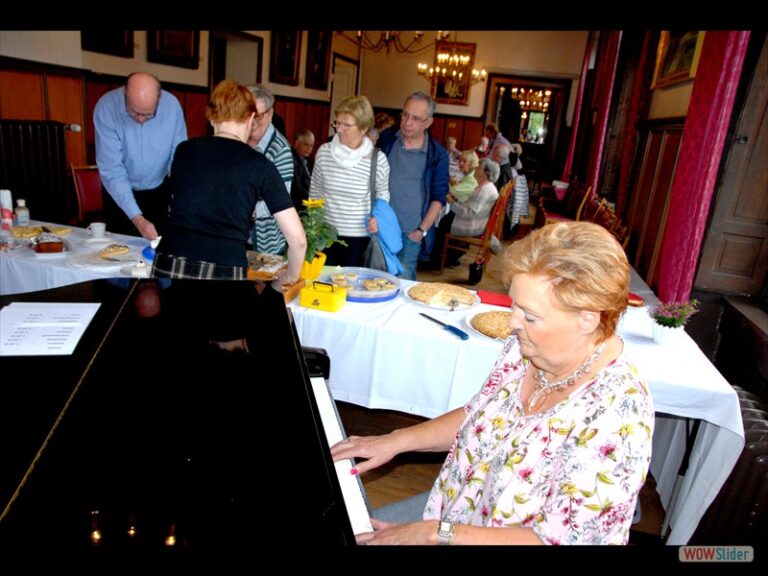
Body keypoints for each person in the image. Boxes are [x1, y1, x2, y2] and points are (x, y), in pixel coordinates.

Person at [332, 221, 654, 545]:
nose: (513, 323)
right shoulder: (525, 348)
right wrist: (397, 440)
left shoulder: (618, 414)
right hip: (453, 513)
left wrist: (437, 534)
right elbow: (480, 415)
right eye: (515, 305)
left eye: (529, 315)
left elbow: (562, 540)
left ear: (588, 318)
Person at [152, 79, 306, 286]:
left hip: (172, 260)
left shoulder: (184, 150)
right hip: (225, 266)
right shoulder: (259, 164)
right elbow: (298, 240)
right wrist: (290, 277)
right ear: (251, 117)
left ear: (212, 117)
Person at [94, 72, 187, 239]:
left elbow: (179, 157)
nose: (141, 119)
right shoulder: (106, 107)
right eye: (134, 112)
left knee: (156, 251)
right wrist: (138, 219)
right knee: (119, 249)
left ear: (159, 98)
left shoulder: (172, 106)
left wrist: (181, 201)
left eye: (148, 115)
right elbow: (112, 170)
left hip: (158, 190)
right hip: (118, 193)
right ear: (125, 93)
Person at [309, 95, 391, 267]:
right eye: (337, 123)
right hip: (325, 236)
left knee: (353, 290)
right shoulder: (324, 152)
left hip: (359, 238)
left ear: (363, 128)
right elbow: (315, 190)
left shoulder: (377, 159)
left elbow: (383, 194)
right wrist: (314, 226)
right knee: (324, 286)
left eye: (346, 125)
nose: (339, 129)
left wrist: (378, 217)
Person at [377, 91, 449, 279]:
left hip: (410, 233)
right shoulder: (386, 140)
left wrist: (421, 231)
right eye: (405, 115)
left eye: (416, 118)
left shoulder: (437, 154)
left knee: (402, 284)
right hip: (379, 229)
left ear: (428, 122)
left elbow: (438, 198)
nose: (407, 122)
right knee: (374, 282)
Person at [247, 85, 293, 255]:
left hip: (266, 241)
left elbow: (282, 199)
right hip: (235, 238)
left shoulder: (280, 149)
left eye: (257, 115)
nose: (252, 121)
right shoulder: (237, 138)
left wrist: (246, 208)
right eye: (247, 113)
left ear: (270, 114)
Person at [433, 158, 499, 269]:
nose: (475, 169)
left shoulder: (485, 189)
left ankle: (439, 260)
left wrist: (452, 203)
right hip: (476, 222)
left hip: (471, 225)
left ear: (485, 172)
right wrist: (456, 200)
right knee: (445, 219)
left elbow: (470, 212)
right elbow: (471, 205)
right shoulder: (486, 186)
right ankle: (450, 257)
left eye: (478, 168)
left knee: (442, 225)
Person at [290, 129, 315, 211]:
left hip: (308, 202)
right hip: (297, 206)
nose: (309, 149)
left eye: (311, 146)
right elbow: (297, 190)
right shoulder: (290, 159)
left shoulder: (309, 161)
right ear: (297, 143)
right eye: (306, 145)